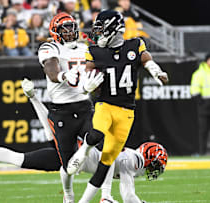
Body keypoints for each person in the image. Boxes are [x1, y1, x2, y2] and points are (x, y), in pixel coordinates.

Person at [0, 78, 168, 203]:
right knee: (48, 148)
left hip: (75, 155)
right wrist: (107, 195)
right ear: (148, 158)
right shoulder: (134, 161)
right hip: (78, 153)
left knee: (24, 156)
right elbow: (128, 194)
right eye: (155, 166)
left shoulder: (130, 156)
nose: (153, 171)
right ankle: (70, 195)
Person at [66, 10, 169, 203]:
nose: (96, 34)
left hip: (126, 112)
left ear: (113, 28)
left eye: (100, 29)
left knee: (105, 164)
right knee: (97, 133)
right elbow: (87, 73)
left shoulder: (135, 45)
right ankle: (83, 151)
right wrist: (86, 86)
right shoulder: (94, 51)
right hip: (105, 104)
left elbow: (146, 58)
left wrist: (155, 70)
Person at [36, 12, 104, 203]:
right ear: (55, 32)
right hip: (61, 111)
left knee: (103, 144)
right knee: (67, 165)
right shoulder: (49, 47)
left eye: (71, 28)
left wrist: (92, 86)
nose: (69, 33)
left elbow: (96, 73)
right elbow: (51, 70)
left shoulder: (85, 48)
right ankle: (68, 195)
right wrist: (64, 76)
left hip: (84, 106)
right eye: (64, 30)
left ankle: (106, 196)